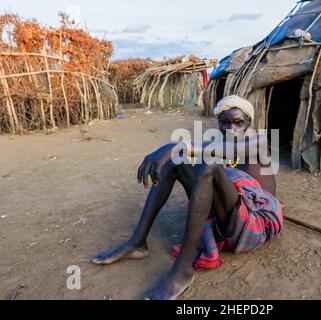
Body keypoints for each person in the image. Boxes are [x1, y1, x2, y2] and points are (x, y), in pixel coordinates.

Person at [92, 95, 283, 300]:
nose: (231, 128)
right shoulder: (218, 142)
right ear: (218, 123)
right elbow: (195, 148)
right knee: (177, 161)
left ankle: (183, 271)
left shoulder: (258, 142)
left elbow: (222, 151)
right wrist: (171, 149)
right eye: (225, 122)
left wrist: (177, 147)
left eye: (239, 122)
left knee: (209, 164)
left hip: (254, 223)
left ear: (249, 124)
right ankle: (138, 243)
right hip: (230, 215)